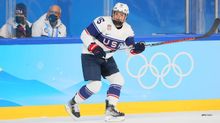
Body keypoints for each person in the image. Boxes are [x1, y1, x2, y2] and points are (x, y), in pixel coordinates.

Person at [66, 2, 145, 122]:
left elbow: (130, 50)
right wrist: (94, 47)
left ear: (126, 17)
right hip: (90, 55)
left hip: (107, 57)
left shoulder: (128, 30)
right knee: (95, 85)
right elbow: (84, 35)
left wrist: (137, 49)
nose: (118, 17)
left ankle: (110, 109)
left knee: (118, 80)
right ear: (112, 13)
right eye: (116, 14)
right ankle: (72, 103)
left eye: (121, 15)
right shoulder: (102, 21)